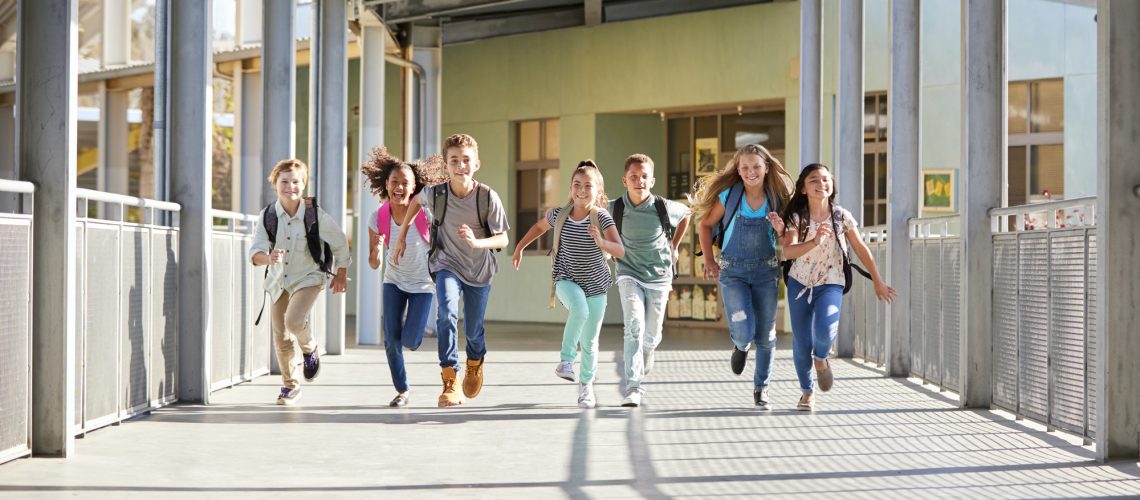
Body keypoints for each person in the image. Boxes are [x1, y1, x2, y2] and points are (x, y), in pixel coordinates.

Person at [392, 134, 510, 408]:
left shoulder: (487, 196)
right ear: (446, 165)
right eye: (454, 160)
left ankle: (475, 360)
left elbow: (502, 239)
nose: (461, 166)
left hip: (479, 270)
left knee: (474, 330)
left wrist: (477, 242)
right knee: (446, 311)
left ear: (476, 164)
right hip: (447, 264)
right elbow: (415, 202)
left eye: (466, 160)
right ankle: (449, 377)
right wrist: (401, 235)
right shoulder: (437, 193)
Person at [780, 163, 895, 411]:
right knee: (801, 342)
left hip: (831, 281)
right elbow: (788, 251)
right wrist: (814, 241)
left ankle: (821, 359)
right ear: (803, 189)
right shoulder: (797, 219)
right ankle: (807, 392)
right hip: (800, 282)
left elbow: (861, 250)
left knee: (826, 329)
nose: (821, 184)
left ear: (831, 186)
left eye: (826, 180)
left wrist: (878, 280)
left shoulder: (840, 216)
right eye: (814, 180)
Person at [512, 160, 625, 409]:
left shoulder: (601, 217)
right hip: (565, 278)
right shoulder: (559, 214)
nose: (581, 190)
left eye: (588, 186)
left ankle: (586, 387)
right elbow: (539, 227)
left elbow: (620, 249)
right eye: (577, 185)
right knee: (579, 310)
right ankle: (565, 361)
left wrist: (602, 243)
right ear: (570, 188)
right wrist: (520, 247)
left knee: (590, 341)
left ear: (598, 192)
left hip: (596, 285)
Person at [692, 144, 793, 410]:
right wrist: (710, 260)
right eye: (745, 167)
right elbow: (705, 225)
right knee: (744, 328)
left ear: (766, 167)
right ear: (738, 169)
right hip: (733, 271)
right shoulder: (729, 196)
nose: (751, 172)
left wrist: (780, 228)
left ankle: (762, 388)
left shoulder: (776, 197)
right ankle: (740, 345)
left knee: (767, 335)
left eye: (756, 166)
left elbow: (786, 240)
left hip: (765, 271)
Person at [250, 159, 351, 405]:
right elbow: (255, 253)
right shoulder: (268, 215)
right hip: (278, 281)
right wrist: (268, 257)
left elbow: (339, 241)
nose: (290, 187)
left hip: (309, 277)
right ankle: (290, 386)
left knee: (294, 321)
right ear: (275, 184)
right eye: (284, 182)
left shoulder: (315, 215)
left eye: (296, 182)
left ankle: (309, 348)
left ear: (303, 185)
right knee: (281, 336)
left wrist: (340, 272)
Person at [361, 147, 446, 407]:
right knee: (391, 340)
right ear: (386, 184)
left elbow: (441, 241)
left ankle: (412, 326)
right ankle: (402, 390)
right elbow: (374, 263)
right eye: (394, 182)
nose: (399, 187)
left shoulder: (425, 213)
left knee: (410, 340)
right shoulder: (378, 216)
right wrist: (375, 251)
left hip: (422, 285)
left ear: (414, 188)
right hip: (394, 281)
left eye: (405, 183)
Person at [607, 154, 691, 407]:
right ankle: (633, 387)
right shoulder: (614, 207)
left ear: (652, 180)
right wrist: (609, 247)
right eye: (633, 176)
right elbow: (597, 221)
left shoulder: (663, 207)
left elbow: (687, 214)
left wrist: (674, 246)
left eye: (644, 176)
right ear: (625, 180)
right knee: (633, 326)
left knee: (651, 335)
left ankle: (648, 348)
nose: (639, 181)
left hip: (659, 277)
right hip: (628, 273)